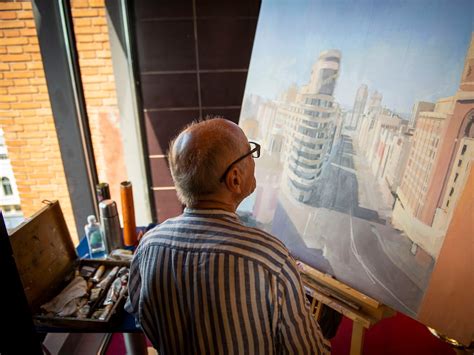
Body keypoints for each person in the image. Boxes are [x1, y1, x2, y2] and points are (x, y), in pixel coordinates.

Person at [125, 118, 331, 354]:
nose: (254, 160)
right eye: (251, 153)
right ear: (234, 179)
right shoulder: (269, 259)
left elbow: (141, 318)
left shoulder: (148, 246)